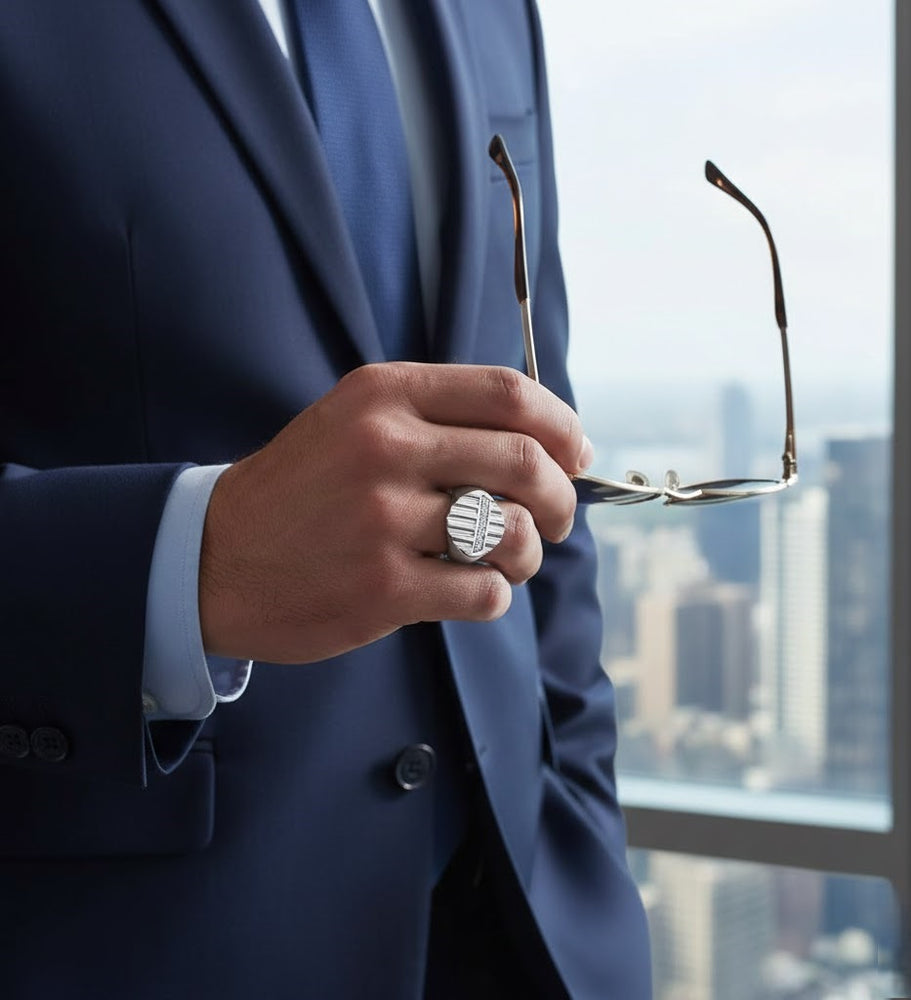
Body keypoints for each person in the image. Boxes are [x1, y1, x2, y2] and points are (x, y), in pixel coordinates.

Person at [0, 1, 652, 997]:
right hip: (144, 944)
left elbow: (539, 445)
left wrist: (586, 838)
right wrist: (196, 564)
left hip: (528, 934)